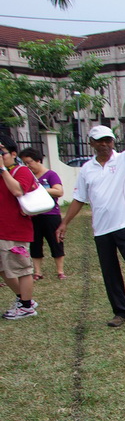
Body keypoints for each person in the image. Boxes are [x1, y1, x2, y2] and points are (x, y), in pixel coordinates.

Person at [56, 111, 125, 328]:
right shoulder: (86, 169)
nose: (104, 144)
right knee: (110, 272)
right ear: (91, 143)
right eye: (99, 141)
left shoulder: (124, 160)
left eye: (108, 140)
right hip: (101, 229)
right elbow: (79, 199)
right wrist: (65, 222)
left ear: (113, 142)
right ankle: (121, 312)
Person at [0, 136, 39, 320]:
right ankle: (24, 299)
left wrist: (2, 169)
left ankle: (26, 306)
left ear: (13, 153)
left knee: (21, 269)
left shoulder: (21, 170)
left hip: (15, 229)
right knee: (4, 269)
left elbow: (18, 190)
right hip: (2, 228)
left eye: (2, 152)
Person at [19, 147, 67, 280]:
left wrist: (40, 189)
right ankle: (37, 272)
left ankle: (60, 271)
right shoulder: (28, 176)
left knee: (55, 242)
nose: (28, 166)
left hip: (51, 214)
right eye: (25, 163)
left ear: (38, 161)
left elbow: (59, 191)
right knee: (35, 243)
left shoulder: (50, 175)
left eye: (29, 162)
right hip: (33, 215)